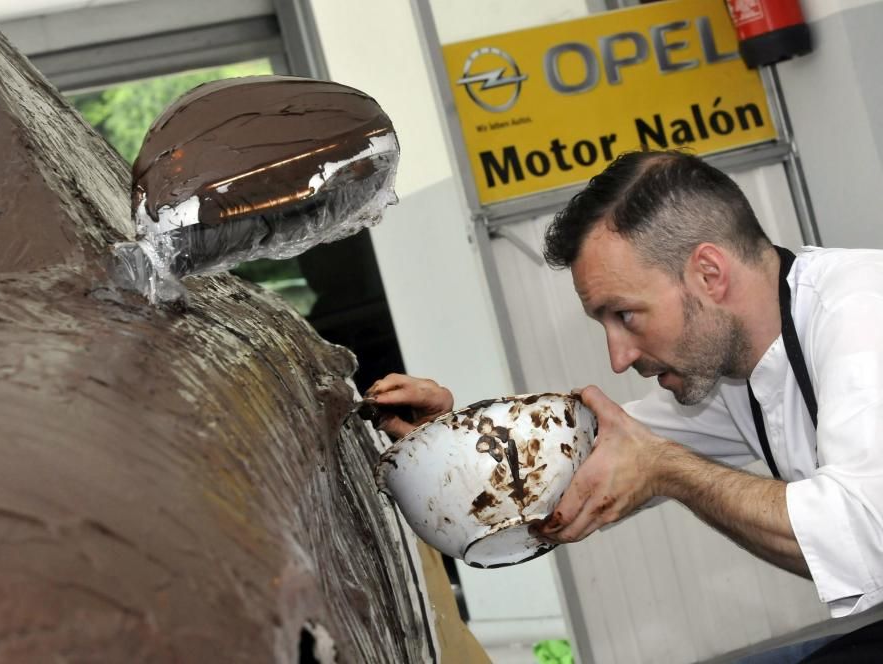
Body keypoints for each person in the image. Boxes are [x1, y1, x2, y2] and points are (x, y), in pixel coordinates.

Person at [366, 150, 883, 660]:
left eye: (626, 315)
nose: (619, 358)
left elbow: (862, 537)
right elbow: (591, 455)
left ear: (708, 273)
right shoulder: (730, 372)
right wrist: (451, 443)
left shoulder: (862, 318)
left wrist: (670, 471)